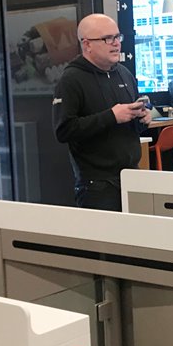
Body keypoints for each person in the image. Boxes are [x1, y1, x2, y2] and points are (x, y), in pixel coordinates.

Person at [53, 13, 150, 211]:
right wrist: (111, 116)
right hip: (97, 186)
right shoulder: (71, 79)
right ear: (87, 44)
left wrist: (142, 118)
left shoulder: (124, 73)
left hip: (132, 176)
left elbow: (130, 125)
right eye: (107, 38)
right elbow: (64, 130)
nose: (116, 43)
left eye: (117, 37)